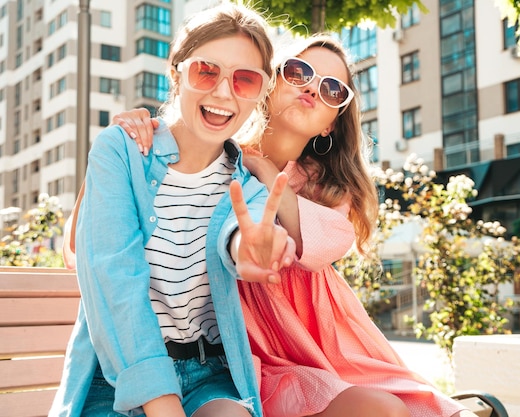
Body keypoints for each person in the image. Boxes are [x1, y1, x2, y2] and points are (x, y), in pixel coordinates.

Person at [66, 34, 475, 417]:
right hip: (245, 355)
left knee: (398, 406)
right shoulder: (220, 155)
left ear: (332, 121)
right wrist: (121, 145)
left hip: (318, 346)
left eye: (333, 89)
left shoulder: (325, 185)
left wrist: (265, 176)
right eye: (299, 72)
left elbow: (326, 242)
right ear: (268, 84)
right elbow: (88, 245)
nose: (313, 88)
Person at [50, 4, 296, 417]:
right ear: (176, 72)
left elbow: (240, 233)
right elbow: (115, 282)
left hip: (208, 374)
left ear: (259, 93)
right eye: (206, 71)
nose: (223, 92)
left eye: (245, 79)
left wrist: (252, 249)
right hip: (113, 378)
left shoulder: (248, 185)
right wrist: (162, 403)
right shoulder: (120, 153)